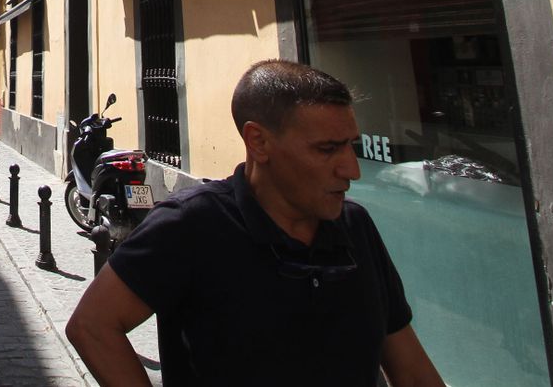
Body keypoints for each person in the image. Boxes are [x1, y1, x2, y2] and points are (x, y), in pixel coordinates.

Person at [65, 59, 444, 387]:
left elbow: (411, 371)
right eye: (327, 149)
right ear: (258, 142)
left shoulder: (355, 226)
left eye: (351, 146)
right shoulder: (191, 225)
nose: (352, 170)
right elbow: (92, 326)